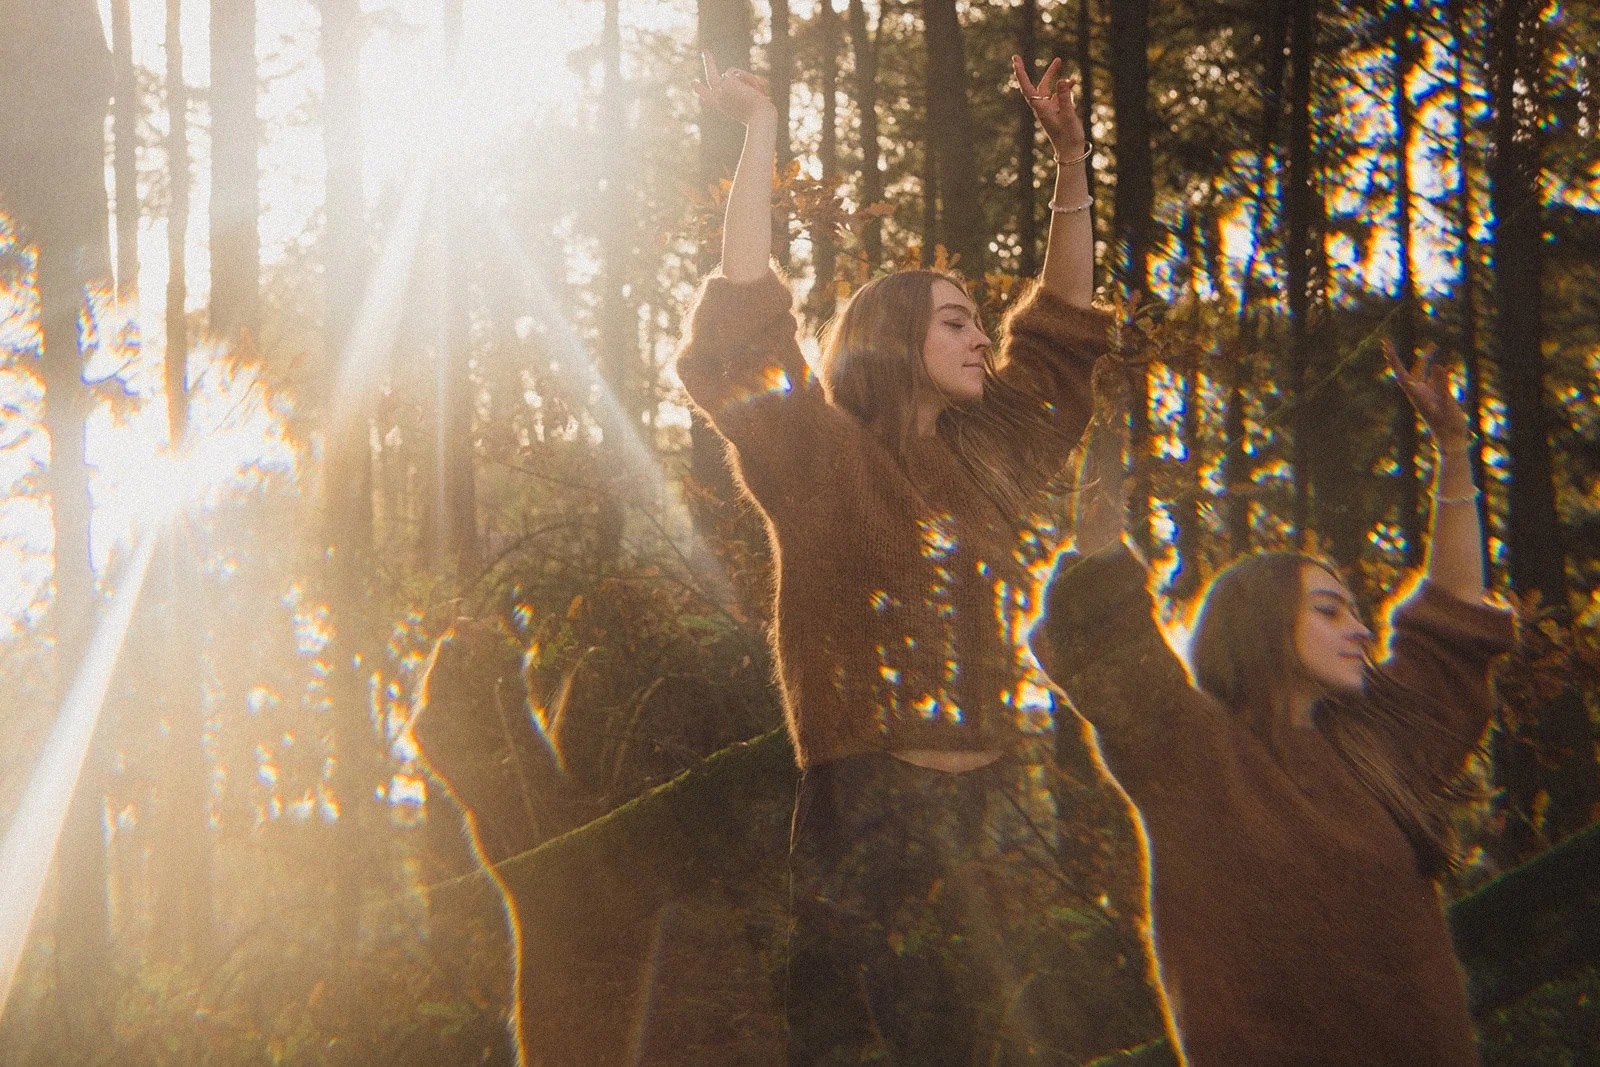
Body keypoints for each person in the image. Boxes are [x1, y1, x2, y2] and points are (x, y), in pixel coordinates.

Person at [679, 53, 1111, 1064]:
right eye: (957, 321)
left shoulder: (988, 463)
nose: (982, 339)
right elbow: (743, 309)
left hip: (991, 823)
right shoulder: (813, 449)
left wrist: (1071, 159)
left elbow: (1059, 339)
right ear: (890, 336)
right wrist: (760, 130)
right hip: (864, 819)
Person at [1030, 341, 1516, 1065]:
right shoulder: (1187, 750)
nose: (1360, 628)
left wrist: (1452, 446)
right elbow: (1098, 603)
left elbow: (1450, 619)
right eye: (1329, 610)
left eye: (1354, 610)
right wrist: (1108, 427)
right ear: (1260, 624)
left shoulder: (1376, 746)